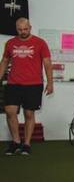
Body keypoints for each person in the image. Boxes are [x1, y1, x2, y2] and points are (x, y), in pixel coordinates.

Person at [1, 18, 53, 156]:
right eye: (20, 29)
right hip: (13, 83)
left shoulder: (40, 43)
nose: (23, 32)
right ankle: (16, 142)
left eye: (25, 29)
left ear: (30, 28)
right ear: (16, 29)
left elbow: (47, 63)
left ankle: (27, 144)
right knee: (10, 111)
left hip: (33, 84)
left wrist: (50, 83)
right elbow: (5, 61)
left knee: (29, 114)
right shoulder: (10, 43)